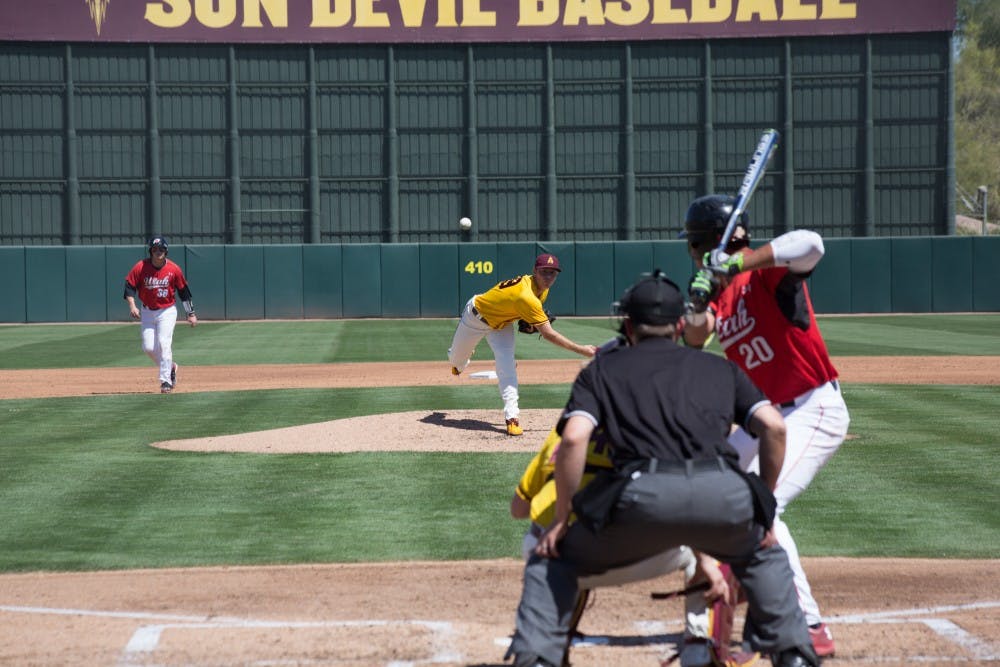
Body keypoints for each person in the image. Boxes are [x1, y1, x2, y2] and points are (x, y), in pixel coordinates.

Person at [505, 270, 819, 667]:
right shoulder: (720, 369)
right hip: (722, 496)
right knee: (761, 552)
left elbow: (572, 440)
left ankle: (538, 658)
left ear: (628, 325)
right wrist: (765, 511)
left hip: (640, 499)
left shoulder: (602, 371)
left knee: (552, 557)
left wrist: (562, 520)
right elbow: (774, 426)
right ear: (679, 325)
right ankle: (792, 654)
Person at [680, 194, 851, 658]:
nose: (691, 255)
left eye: (693, 247)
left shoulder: (763, 271)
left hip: (813, 407)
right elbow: (695, 337)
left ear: (703, 243)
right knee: (710, 488)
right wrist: (699, 298)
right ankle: (745, 590)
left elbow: (811, 244)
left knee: (761, 505)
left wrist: (735, 265)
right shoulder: (723, 290)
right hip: (768, 417)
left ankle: (808, 624)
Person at [511, 424, 758, 667]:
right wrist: (704, 558)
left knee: (569, 548)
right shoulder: (647, 427)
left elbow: (518, 509)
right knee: (714, 535)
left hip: (547, 555)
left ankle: (550, 646)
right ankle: (700, 650)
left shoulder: (562, 432)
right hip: (626, 553)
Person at [447, 253, 596, 436]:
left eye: (553, 273)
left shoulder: (542, 290)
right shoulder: (526, 296)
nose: (549, 277)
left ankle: (512, 418)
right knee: (456, 361)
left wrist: (531, 323)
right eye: (544, 272)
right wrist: (582, 349)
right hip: (476, 317)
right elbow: (549, 334)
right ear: (535, 271)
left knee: (507, 365)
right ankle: (462, 360)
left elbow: (524, 318)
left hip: (501, 325)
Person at [124, 236, 197, 394]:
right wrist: (132, 305)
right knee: (148, 348)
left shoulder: (173, 269)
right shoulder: (140, 267)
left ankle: (166, 381)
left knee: (164, 344)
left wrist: (190, 313)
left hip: (167, 311)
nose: (158, 252)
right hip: (147, 311)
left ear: (166, 251)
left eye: (161, 249)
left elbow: (184, 292)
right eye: (155, 249)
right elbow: (129, 287)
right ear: (150, 251)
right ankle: (171, 367)